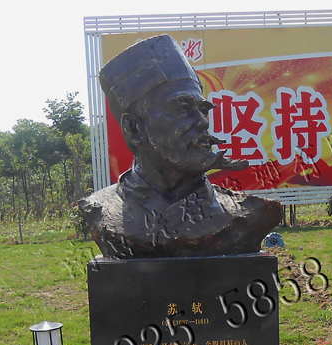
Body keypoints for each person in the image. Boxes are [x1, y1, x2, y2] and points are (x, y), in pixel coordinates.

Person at [78, 34, 281, 259]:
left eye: (202, 110)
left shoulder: (248, 214)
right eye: (184, 109)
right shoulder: (103, 209)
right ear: (134, 128)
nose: (203, 122)